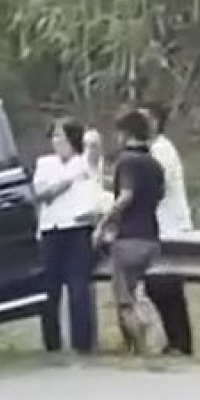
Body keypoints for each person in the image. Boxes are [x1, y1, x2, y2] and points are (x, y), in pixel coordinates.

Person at [94, 108, 165, 354]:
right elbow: (159, 196)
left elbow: (125, 196)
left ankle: (144, 346)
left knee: (125, 300)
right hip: (151, 238)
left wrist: (103, 224)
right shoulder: (155, 164)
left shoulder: (127, 161)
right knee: (139, 292)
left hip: (128, 238)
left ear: (125, 133)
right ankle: (152, 336)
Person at [33, 117, 102, 354]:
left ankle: (82, 344)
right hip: (51, 229)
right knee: (49, 291)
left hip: (77, 229)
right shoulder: (45, 163)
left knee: (78, 289)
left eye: (61, 136)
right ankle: (52, 344)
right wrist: (69, 180)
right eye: (53, 137)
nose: (56, 142)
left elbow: (94, 148)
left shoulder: (85, 162)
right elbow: (43, 193)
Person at [140, 101, 195, 355]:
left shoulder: (161, 150)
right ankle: (175, 341)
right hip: (158, 227)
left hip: (169, 226)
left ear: (155, 122)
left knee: (165, 287)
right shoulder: (150, 150)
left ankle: (180, 342)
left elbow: (156, 187)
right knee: (158, 287)